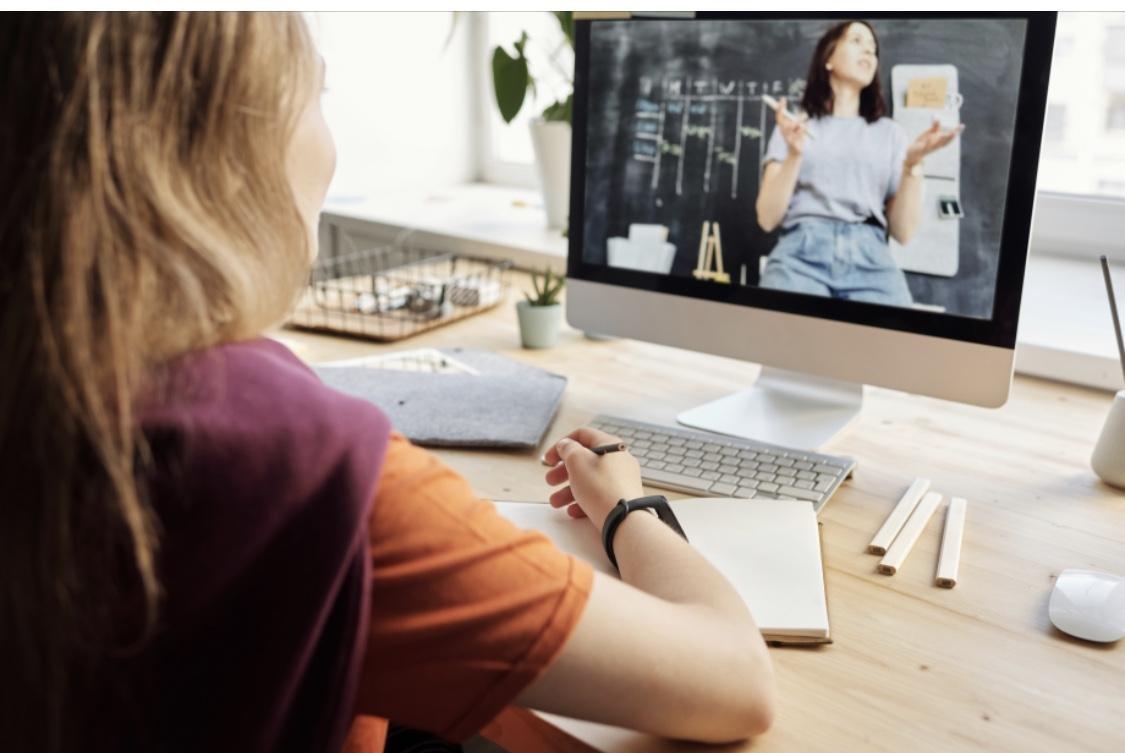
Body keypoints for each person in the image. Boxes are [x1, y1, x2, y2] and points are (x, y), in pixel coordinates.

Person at [0, 13, 775, 753]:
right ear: (227, 145)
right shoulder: (307, 467)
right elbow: (734, 679)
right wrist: (627, 506)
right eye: (317, 95)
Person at [755, 20, 963, 306]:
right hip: (800, 253)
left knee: (898, 333)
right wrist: (794, 154)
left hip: (871, 258)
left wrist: (912, 164)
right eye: (856, 41)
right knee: (779, 331)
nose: (868, 51)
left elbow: (903, 232)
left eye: (873, 48)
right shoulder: (795, 126)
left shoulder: (890, 134)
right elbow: (767, 218)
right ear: (828, 58)